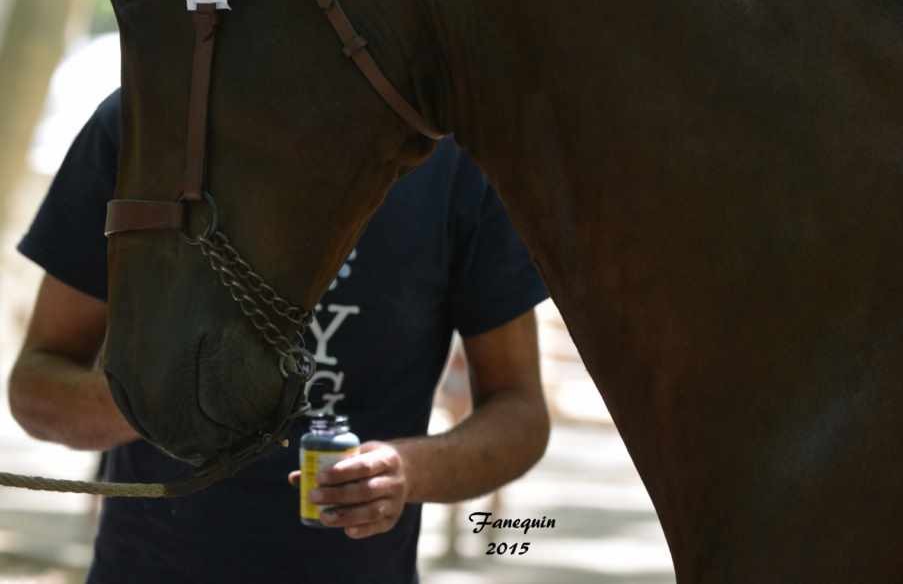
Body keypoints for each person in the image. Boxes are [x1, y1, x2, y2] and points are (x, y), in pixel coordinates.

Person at [7, 89, 550, 584]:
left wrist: (406, 472)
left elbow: (520, 413)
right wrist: (159, 401)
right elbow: (35, 389)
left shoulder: (454, 161)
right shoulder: (145, 123)